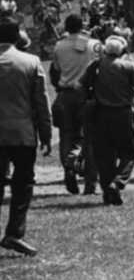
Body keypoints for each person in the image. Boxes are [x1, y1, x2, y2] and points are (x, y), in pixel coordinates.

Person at [0, 18, 51, 256]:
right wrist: (46, 133)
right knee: (23, 183)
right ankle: (14, 233)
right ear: (16, 38)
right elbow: (41, 102)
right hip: (22, 132)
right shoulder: (30, 61)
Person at [82, 35, 134, 205]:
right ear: (122, 51)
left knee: (104, 156)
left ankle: (108, 192)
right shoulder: (128, 66)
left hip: (100, 115)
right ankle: (117, 183)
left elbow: (80, 85)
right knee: (129, 153)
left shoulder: (95, 65)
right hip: (123, 115)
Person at [50, 13, 101, 195]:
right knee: (91, 139)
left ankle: (69, 167)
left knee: (66, 135)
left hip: (65, 94)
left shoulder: (59, 46)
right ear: (83, 26)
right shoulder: (94, 44)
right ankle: (90, 183)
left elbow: (56, 71)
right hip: (87, 95)